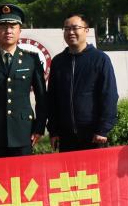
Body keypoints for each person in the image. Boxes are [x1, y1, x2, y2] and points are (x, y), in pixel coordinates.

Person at [0, 4, 47, 158]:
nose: (8, 31)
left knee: (23, 173)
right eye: (3, 26)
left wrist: (39, 127)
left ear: (20, 30)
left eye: (13, 26)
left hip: (24, 131)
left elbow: (42, 97)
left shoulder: (31, 60)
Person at [45, 13, 118, 152]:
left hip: (93, 135)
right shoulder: (58, 62)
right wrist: (53, 130)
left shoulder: (100, 59)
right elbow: (52, 99)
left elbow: (109, 95)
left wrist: (103, 129)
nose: (70, 32)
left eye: (75, 28)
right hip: (66, 137)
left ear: (86, 30)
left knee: (94, 167)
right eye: (66, 29)